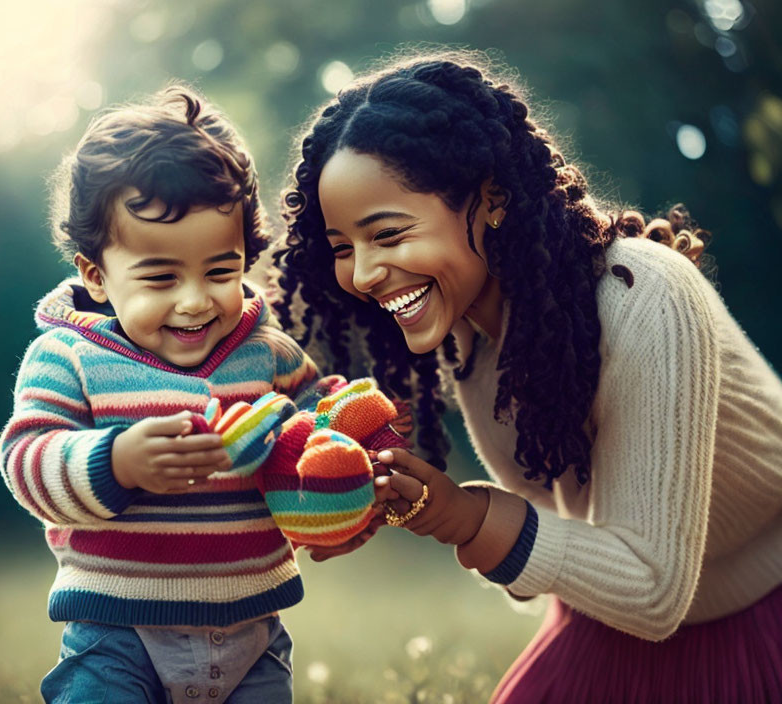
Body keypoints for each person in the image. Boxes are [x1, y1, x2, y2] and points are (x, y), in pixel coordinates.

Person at [273, 50, 782, 702]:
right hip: (604, 626)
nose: (365, 273)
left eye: (388, 234)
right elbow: (553, 551)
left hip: (758, 622)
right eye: (344, 248)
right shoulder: (473, 341)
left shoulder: (646, 296)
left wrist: (464, 516)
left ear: (491, 200)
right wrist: (400, 501)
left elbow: (654, 590)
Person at [0, 83, 406, 704]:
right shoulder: (68, 358)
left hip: (253, 631)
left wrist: (360, 445)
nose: (195, 300)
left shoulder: (262, 349)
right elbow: (26, 459)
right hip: (117, 632)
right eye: (160, 277)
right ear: (95, 275)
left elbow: (316, 413)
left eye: (221, 271)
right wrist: (116, 462)